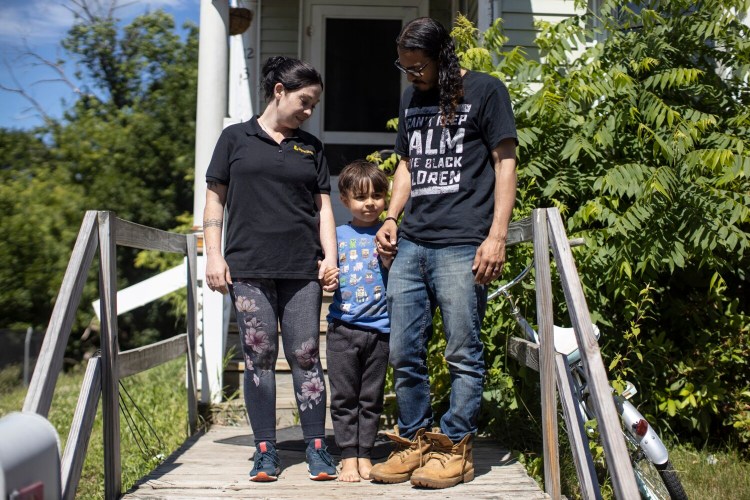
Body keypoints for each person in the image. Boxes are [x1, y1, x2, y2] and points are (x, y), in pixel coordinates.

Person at [369, 17, 518, 489]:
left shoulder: (487, 91)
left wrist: (497, 236)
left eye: (417, 66)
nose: (410, 73)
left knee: (462, 352)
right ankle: (414, 441)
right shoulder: (414, 97)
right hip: (413, 242)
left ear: (441, 57)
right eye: (404, 65)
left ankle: (454, 447)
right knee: (403, 351)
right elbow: (408, 164)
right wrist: (392, 217)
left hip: (463, 244)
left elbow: (505, 162)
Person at [203, 56, 339, 482]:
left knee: (305, 356)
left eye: (314, 104)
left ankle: (317, 447)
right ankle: (266, 450)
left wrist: (330, 257)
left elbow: (324, 210)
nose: (308, 111)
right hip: (249, 268)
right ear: (278, 90)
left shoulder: (311, 147)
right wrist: (213, 254)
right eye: (304, 101)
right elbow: (214, 202)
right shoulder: (233, 139)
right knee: (258, 357)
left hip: (301, 269)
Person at [321, 161, 392, 482]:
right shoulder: (336, 235)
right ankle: (348, 454)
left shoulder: (389, 234)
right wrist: (327, 279)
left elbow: (401, 275)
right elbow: (324, 271)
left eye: (377, 195)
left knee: (370, 398)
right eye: (362, 197)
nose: (370, 203)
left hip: (380, 331)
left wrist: (391, 259)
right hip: (342, 329)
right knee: (344, 397)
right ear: (345, 199)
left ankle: (366, 453)